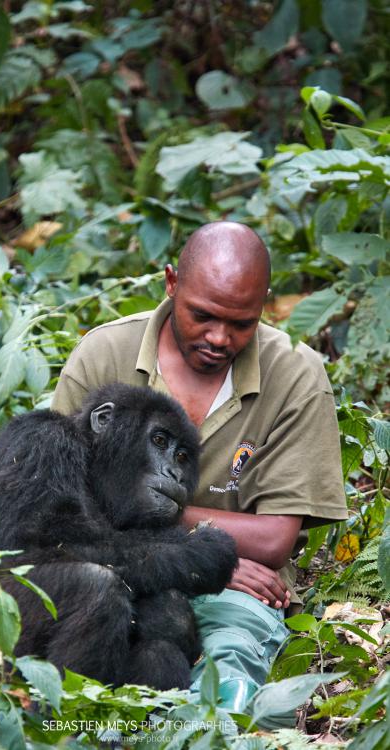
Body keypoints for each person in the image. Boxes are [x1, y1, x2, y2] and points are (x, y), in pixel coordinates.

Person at [51, 221, 347, 724]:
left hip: (240, 585)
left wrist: (182, 542)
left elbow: (275, 539)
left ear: (264, 306)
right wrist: (194, 554)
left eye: (241, 324)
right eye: (202, 315)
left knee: (230, 686)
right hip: (109, 570)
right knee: (83, 679)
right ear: (170, 283)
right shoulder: (105, 355)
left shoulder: (295, 374)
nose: (219, 337)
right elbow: (58, 512)